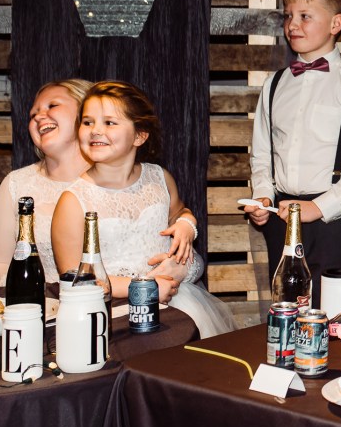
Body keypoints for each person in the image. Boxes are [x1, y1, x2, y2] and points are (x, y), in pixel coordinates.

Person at [52, 81, 235, 338]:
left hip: (179, 303)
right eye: (87, 122)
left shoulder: (160, 178)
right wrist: (146, 289)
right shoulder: (73, 201)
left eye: (109, 122)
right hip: (114, 312)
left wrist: (186, 223)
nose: (95, 131)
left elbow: (179, 213)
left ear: (139, 136)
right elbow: (74, 278)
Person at [245, 0, 341, 306]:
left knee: (335, 316)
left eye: (305, 16)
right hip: (282, 218)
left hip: (336, 221)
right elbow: (261, 154)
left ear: (336, 23)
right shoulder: (274, 85)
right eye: (288, 15)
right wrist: (263, 195)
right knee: (287, 311)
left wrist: (319, 207)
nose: (293, 24)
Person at [0, 79, 92, 286]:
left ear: (88, 114)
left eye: (53, 105)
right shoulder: (16, 184)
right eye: (33, 114)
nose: (39, 116)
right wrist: (33, 292)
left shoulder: (119, 176)